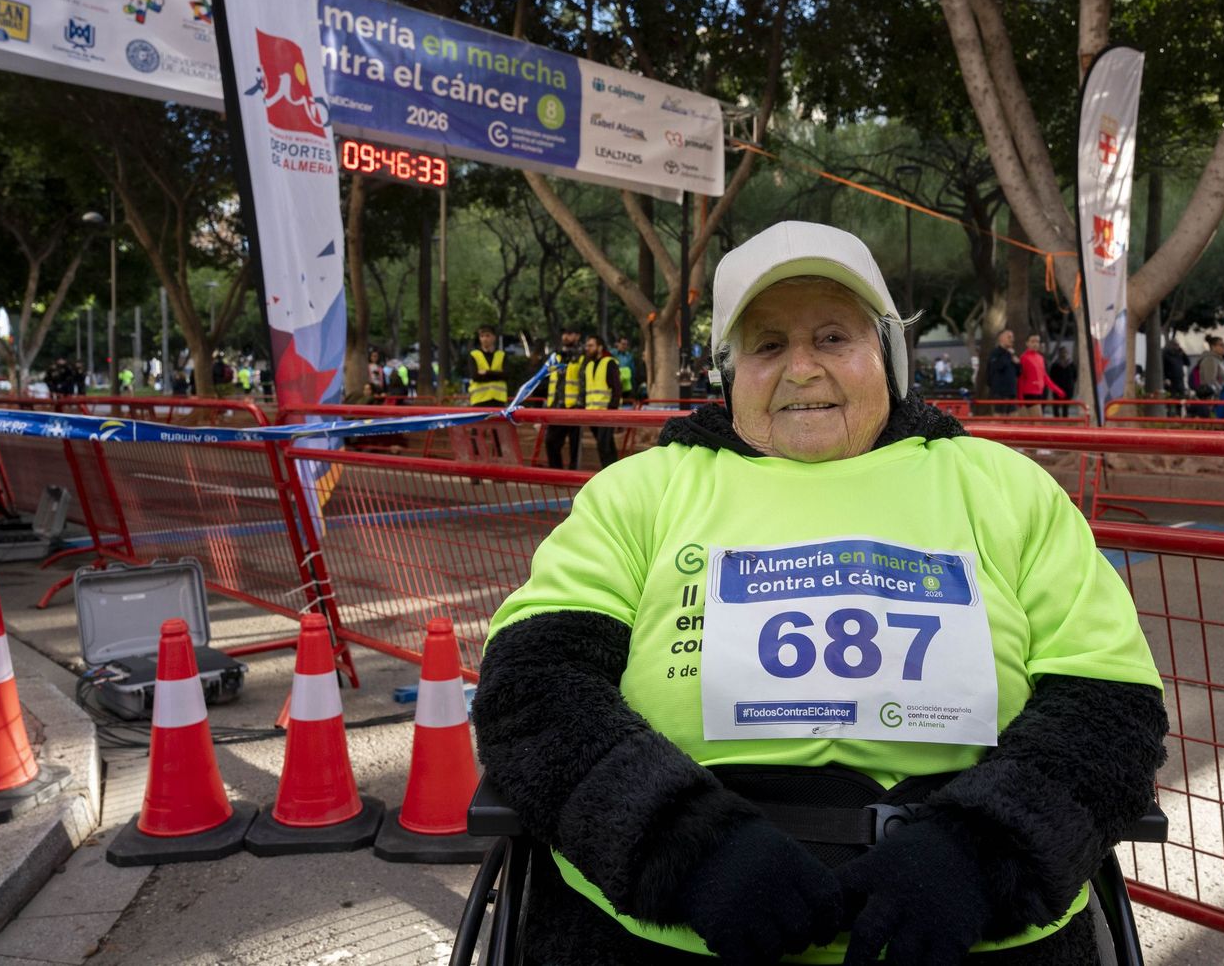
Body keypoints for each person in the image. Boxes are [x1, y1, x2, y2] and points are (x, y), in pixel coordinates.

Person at [474, 221, 1167, 966]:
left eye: (833, 338)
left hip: (967, 920)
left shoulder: (1003, 487)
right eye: (768, 346)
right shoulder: (641, 490)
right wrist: (685, 849)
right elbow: (535, 685)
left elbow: (1108, 702)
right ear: (730, 373)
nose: (801, 369)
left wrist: (982, 855)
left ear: (888, 357)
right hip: (666, 921)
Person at [543, 327, 585, 469]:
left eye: (570, 333)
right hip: (556, 406)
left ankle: (572, 476)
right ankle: (556, 474)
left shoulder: (582, 356)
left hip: (574, 407)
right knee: (550, 441)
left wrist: (581, 403)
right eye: (564, 334)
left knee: (575, 445)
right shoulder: (557, 355)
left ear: (577, 336)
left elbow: (584, 381)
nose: (566, 337)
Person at [582, 334, 623, 468]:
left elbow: (617, 389)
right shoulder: (589, 365)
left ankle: (608, 473)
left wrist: (612, 409)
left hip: (607, 412)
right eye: (587, 345)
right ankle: (613, 472)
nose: (587, 348)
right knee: (606, 445)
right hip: (592, 413)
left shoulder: (609, 362)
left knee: (603, 445)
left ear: (600, 347)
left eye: (591, 345)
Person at [1017, 333, 1065, 418]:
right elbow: (1021, 379)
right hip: (1029, 393)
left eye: (1037, 342)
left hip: (1040, 393)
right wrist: (1020, 399)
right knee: (1038, 420)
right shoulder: (1024, 358)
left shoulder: (1040, 358)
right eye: (1032, 341)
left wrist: (1057, 390)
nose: (1035, 344)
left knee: (1034, 422)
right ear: (1027, 343)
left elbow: (1044, 376)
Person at [468, 325, 512, 407]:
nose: (484, 339)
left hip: (498, 399)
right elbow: (475, 377)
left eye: (488, 336)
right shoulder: (474, 355)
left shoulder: (501, 355)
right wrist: (497, 374)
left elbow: (506, 375)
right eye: (482, 336)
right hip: (479, 400)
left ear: (494, 337)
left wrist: (486, 372)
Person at [986, 328, 1018, 413]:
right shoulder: (995, 353)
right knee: (999, 417)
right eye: (1009, 337)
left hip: (1011, 392)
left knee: (1012, 418)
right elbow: (998, 367)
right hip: (999, 392)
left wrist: (1017, 363)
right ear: (1001, 338)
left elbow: (1018, 372)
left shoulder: (1010, 354)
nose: (1012, 339)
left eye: (1012, 337)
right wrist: (1008, 355)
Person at [613, 336, 639, 401]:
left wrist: (634, 389)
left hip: (626, 388)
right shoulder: (612, 354)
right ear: (617, 344)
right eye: (623, 344)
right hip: (614, 386)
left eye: (626, 344)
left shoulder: (629, 357)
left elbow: (633, 373)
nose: (625, 346)